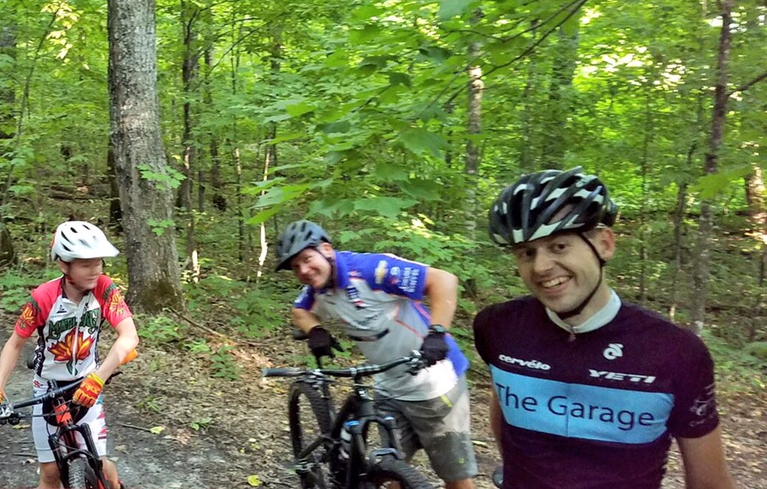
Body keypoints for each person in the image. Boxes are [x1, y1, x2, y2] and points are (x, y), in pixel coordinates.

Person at [474, 168, 735, 489]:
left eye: (559, 246)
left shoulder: (675, 351)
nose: (540, 266)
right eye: (527, 252)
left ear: (605, 244)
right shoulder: (497, 327)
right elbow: (505, 408)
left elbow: (710, 483)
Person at [278, 219, 477, 489]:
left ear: (326, 249)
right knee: (391, 470)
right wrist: (315, 330)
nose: (303, 270)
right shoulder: (319, 289)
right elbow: (300, 310)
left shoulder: (372, 271)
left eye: (306, 259)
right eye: (295, 267)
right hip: (388, 384)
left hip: (436, 385)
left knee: (455, 476)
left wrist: (437, 332)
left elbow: (443, 280)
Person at [0, 221, 139, 489]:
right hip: (48, 388)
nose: (95, 270)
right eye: (86, 264)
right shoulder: (43, 297)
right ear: (64, 265)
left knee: (101, 465)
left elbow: (129, 336)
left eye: (98, 262)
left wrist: (97, 379)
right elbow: (14, 344)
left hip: (87, 383)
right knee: (50, 473)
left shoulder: (105, 288)